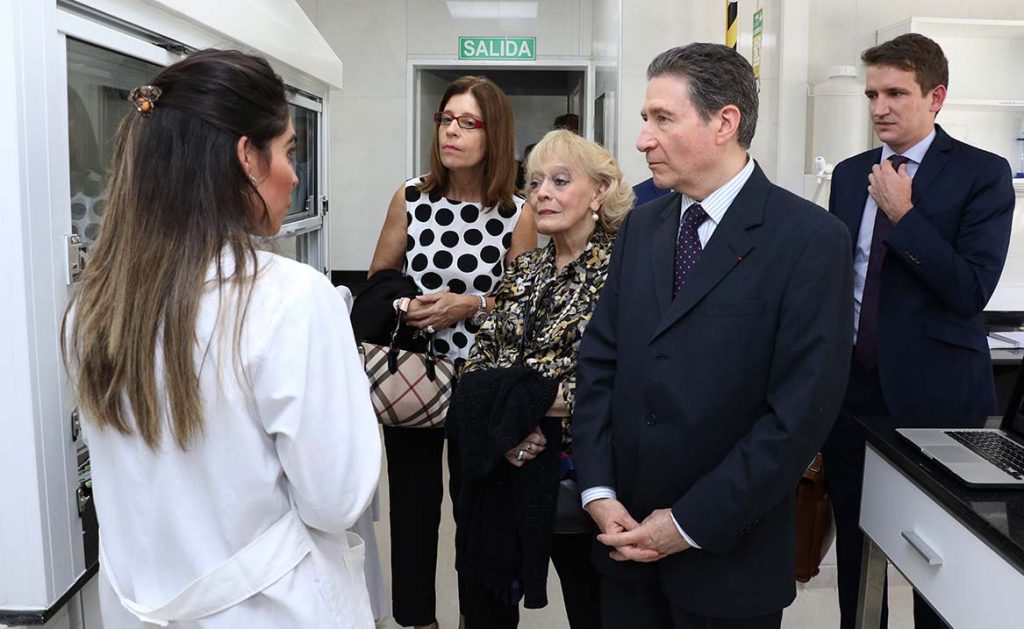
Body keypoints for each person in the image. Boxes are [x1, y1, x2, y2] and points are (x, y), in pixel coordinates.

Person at [61, 50, 381, 627]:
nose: (295, 175)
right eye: (288, 151)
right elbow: (336, 500)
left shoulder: (92, 306)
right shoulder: (290, 298)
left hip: (140, 612)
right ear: (246, 157)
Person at [573, 43, 854, 628]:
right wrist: (598, 491)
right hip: (624, 548)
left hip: (729, 559)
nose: (642, 140)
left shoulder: (808, 239)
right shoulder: (641, 228)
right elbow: (600, 364)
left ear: (724, 122)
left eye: (662, 119)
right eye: (645, 119)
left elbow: (799, 414)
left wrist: (686, 523)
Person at [823, 33, 1015, 629]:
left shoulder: (982, 174)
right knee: (857, 548)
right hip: (852, 394)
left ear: (936, 97)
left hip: (938, 398)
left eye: (896, 93)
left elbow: (969, 290)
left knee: (940, 560)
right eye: (872, 94)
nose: (880, 107)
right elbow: (838, 282)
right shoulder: (851, 174)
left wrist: (903, 214)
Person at [367, 75, 536, 629]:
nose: (451, 132)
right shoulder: (411, 197)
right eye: (446, 119)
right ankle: (418, 620)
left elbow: (523, 305)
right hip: (413, 378)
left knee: (480, 512)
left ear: (495, 135)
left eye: (468, 123)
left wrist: (468, 305)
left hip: (482, 385)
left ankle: (478, 619)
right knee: (412, 510)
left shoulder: (517, 212)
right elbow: (380, 278)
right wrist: (406, 303)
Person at [450, 129, 633, 629]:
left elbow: (623, 384)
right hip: (506, 466)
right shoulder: (524, 269)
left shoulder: (627, 270)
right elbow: (476, 369)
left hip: (586, 477)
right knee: (487, 608)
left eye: (559, 181)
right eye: (534, 183)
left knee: (594, 610)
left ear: (599, 191)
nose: (542, 194)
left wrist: (516, 408)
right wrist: (511, 427)